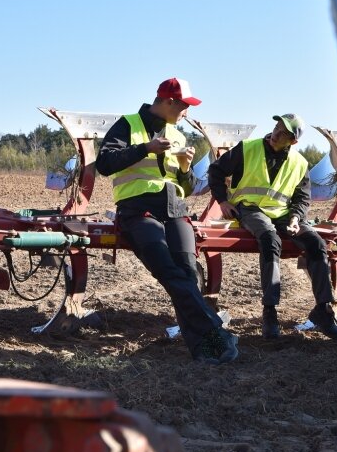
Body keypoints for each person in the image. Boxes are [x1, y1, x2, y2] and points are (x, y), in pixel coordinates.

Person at [96, 77, 239, 364]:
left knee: (186, 274)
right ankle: (217, 336)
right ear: (169, 102)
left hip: (175, 209)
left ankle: (205, 348)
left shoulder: (179, 135)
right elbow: (104, 164)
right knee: (170, 274)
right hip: (138, 211)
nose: (187, 112)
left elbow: (185, 186)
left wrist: (185, 168)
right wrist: (145, 148)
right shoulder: (128, 124)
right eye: (185, 106)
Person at [207, 114, 337, 340]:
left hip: (283, 214)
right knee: (271, 240)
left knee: (316, 243)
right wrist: (222, 200)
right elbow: (216, 171)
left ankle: (323, 310)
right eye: (276, 127)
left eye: (283, 133)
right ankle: (270, 312)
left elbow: (302, 198)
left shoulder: (299, 163)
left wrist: (296, 218)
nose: (276, 134)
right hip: (250, 208)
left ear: (293, 142)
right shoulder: (248, 148)